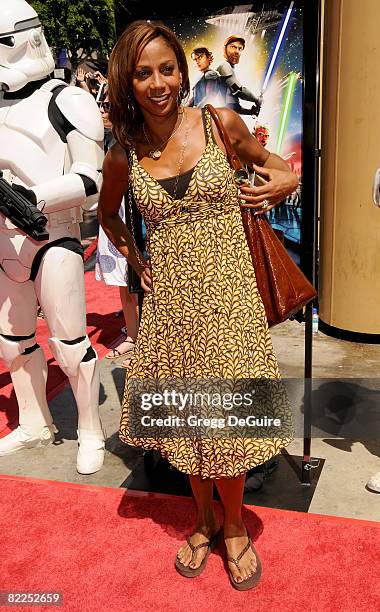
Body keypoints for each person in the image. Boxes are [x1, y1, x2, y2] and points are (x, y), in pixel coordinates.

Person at [99, 20, 298, 590]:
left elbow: (279, 168)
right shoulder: (125, 154)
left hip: (230, 298)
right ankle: (204, 519)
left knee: (228, 419)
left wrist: (277, 186)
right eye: (144, 73)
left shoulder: (218, 122)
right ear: (127, 82)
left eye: (167, 68)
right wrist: (134, 258)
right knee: (189, 420)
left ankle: (234, 527)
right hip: (171, 305)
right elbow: (110, 215)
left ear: (182, 72)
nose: (158, 82)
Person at [0, 0, 105, 474]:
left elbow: (90, 179)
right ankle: (34, 422)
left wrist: (31, 199)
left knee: (69, 343)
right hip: (4, 244)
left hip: (52, 236)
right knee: (11, 341)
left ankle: (89, 428)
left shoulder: (67, 100)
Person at [95, 92, 139, 368]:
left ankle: (140, 338)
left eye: (109, 107)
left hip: (135, 214)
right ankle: (134, 333)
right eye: (102, 105)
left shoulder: (136, 140)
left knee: (136, 277)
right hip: (115, 211)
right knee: (125, 278)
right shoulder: (111, 140)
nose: (102, 111)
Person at [216, 35, 262, 117]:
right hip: (221, 115)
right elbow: (238, 90)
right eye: (233, 47)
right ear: (225, 49)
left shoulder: (229, 67)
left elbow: (235, 109)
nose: (237, 51)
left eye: (240, 48)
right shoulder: (224, 66)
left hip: (226, 115)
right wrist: (256, 99)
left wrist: (251, 112)